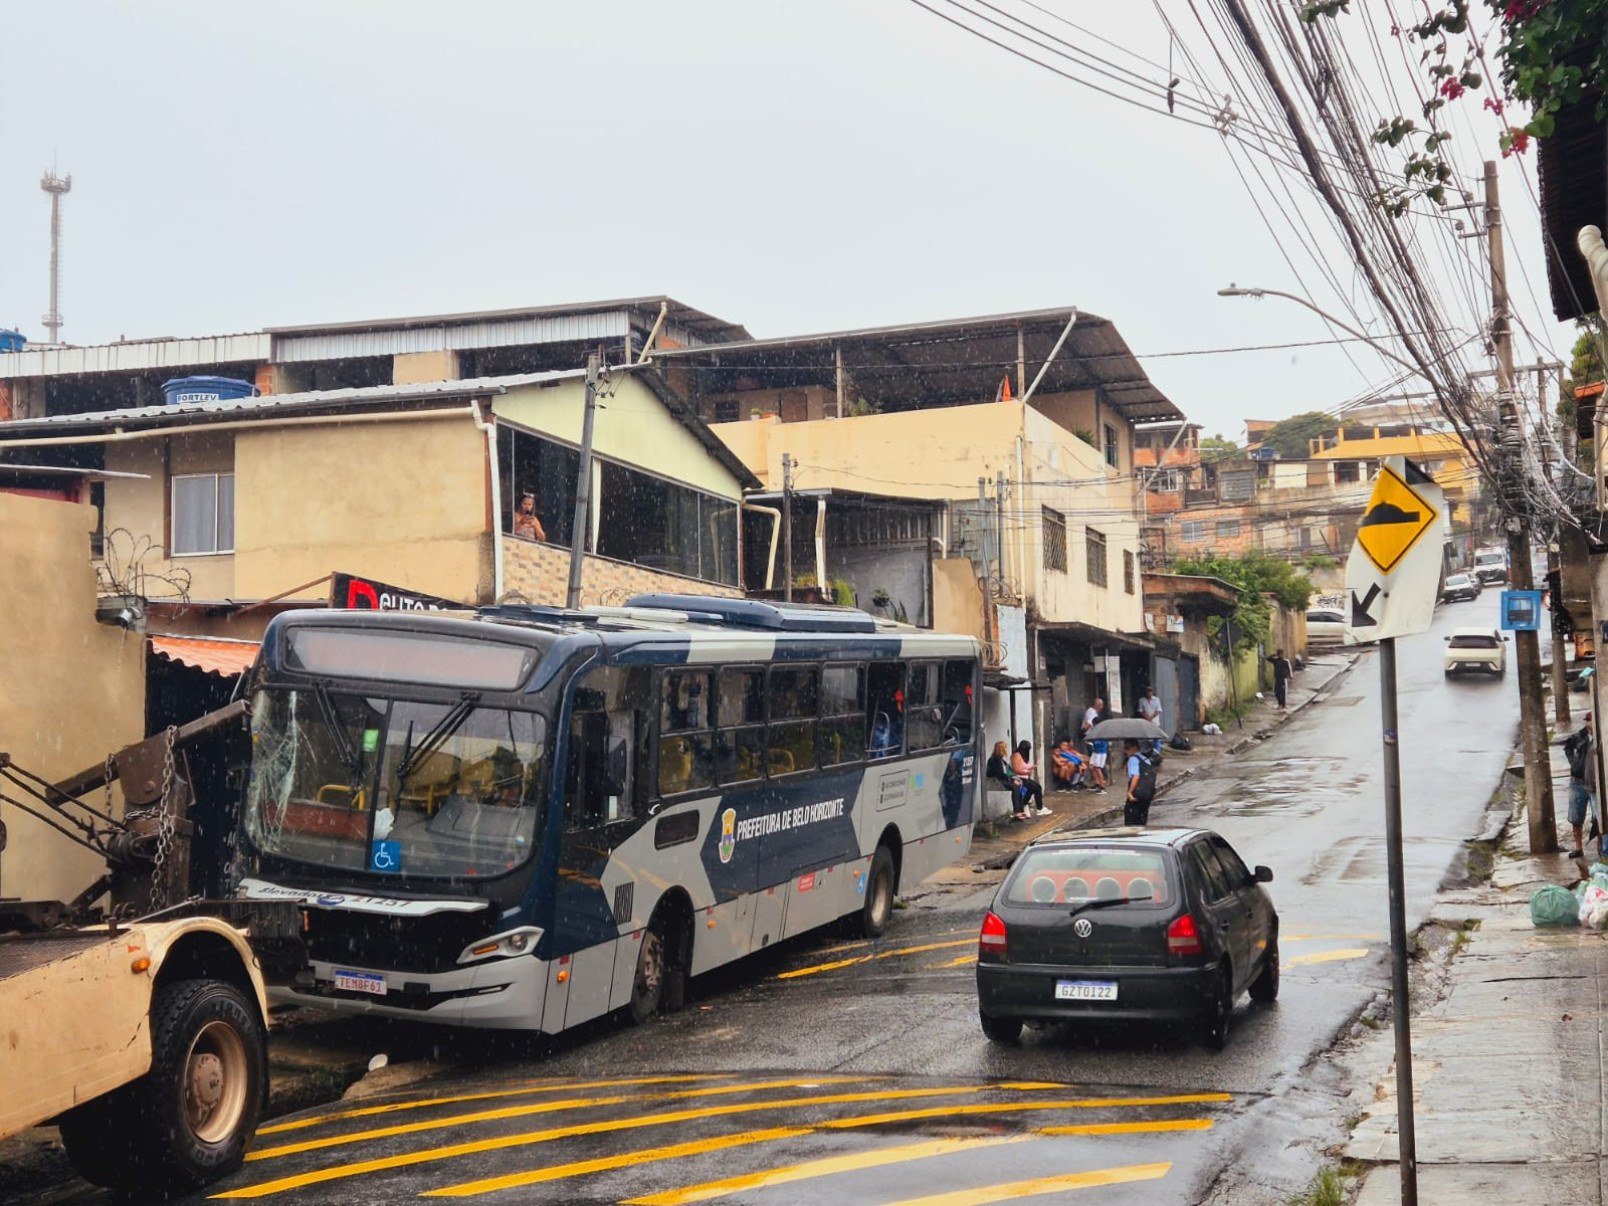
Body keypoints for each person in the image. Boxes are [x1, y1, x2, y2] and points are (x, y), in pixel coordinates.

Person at [1565, 713, 1598, 859]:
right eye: (1587, 721)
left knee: (1598, 817)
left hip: (1594, 784)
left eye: (1590, 721)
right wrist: (1574, 764)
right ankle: (1578, 847)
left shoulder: (1601, 736)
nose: (1588, 724)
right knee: (1575, 817)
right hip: (1577, 781)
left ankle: (1601, 848)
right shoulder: (1580, 736)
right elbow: (1568, 747)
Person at [986, 740, 1030, 821]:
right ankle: (1017, 811)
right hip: (997, 781)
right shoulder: (994, 760)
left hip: (1003, 779)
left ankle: (1021, 809)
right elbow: (999, 774)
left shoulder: (1002, 760)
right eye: (1005, 748)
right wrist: (1012, 779)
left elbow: (1009, 771)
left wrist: (1015, 777)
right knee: (1015, 787)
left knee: (1020, 785)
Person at [1010, 741, 1050, 817]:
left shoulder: (1022, 756)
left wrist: (1032, 767)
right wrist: (1026, 772)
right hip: (1019, 778)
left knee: (1032, 789)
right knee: (1037, 787)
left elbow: (1023, 767)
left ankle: (1024, 803)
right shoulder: (1016, 755)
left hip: (1024, 777)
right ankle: (1040, 808)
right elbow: (1016, 769)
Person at [1122, 738, 1148, 826]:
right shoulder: (1144, 758)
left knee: (1131, 822)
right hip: (1146, 794)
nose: (1125, 751)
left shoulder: (1133, 759)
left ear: (1135, 748)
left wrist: (1130, 792)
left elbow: (1136, 777)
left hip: (1135, 794)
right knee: (1141, 821)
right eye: (1125, 748)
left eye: (1127, 748)